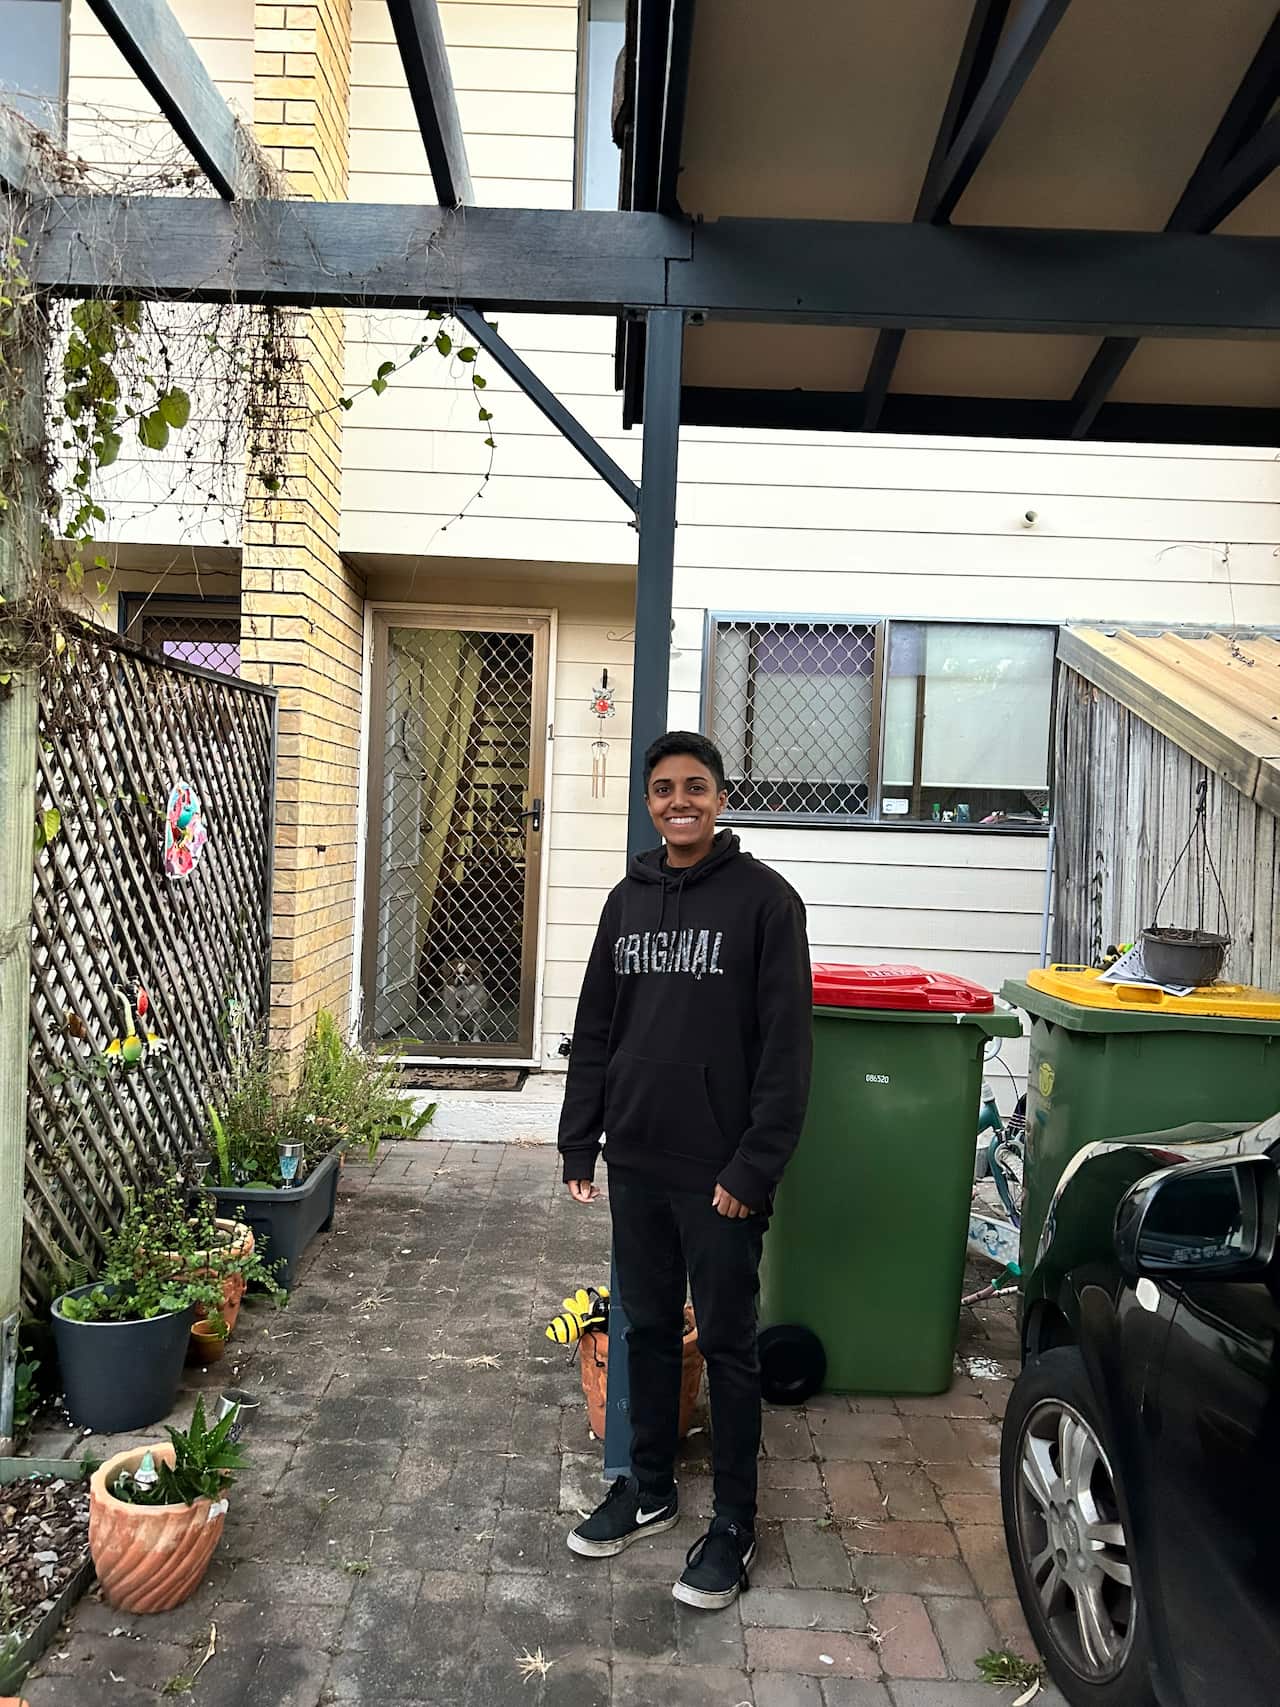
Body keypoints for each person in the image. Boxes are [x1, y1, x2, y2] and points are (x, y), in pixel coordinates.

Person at [558, 730, 812, 1610]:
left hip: (719, 1174)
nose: (679, 801)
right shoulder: (625, 900)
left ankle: (735, 1521)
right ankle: (653, 1489)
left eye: (695, 786)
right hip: (637, 1158)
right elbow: (597, 1027)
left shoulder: (766, 904)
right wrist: (578, 1139)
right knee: (648, 1330)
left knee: (732, 1346)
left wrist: (753, 1165)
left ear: (720, 797)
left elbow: (786, 1055)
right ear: (648, 800)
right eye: (663, 788)